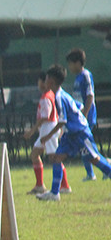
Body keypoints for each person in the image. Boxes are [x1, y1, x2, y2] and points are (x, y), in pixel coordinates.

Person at [36, 64, 111, 201]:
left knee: (94, 159)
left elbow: (63, 121)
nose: (44, 81)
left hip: (80, 133)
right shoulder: (61, 94)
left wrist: (48, 135)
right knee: (56, 158)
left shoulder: (58, 97)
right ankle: (54, 193)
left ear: (51, 81)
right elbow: (77, 107)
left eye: (46, 79)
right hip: (71, 134)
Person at [25, 72, 70, 195]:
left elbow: (44, 117)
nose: (40, 84)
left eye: (41, 81)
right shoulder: (48, 95)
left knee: (54, 158)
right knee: (34, 154)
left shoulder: (46, 97)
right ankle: (39, 185)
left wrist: (32, 130)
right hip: (46, 129)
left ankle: (65, 185)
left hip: (49, 129)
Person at [66, 48, 100, 181]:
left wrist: (85, 114)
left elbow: (90, 96)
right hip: (80, 116)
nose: (69, 67)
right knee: (85, 144)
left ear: (78, 63)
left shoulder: (85, 75)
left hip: (87, 115)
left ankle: (101, 167)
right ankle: (92, 172)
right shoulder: (77, 77)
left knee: (86, 144)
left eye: (70, 63)